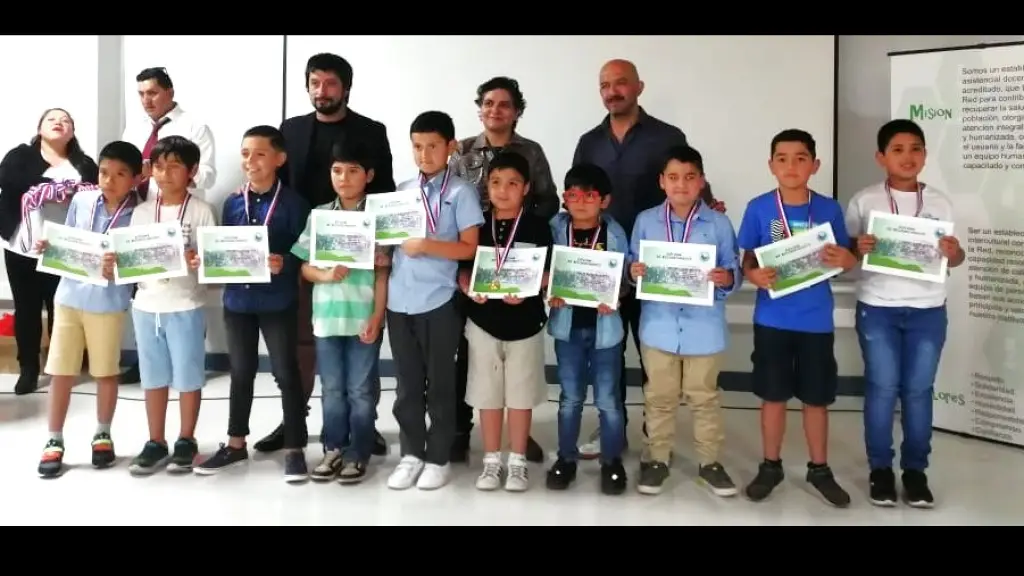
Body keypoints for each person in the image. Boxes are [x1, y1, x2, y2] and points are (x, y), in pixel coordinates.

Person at [571, 59, 724, 459]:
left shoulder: (666, 136)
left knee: (652, 352)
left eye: (620, 83)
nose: (612, 91)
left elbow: (686, 180)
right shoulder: (589, 141)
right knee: (607, 354)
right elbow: (578, 197)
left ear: (639, 86)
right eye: (604, 84)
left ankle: (656, 432)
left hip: (657, 267)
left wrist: (710, 206)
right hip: (603, 263)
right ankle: (613, 429)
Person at [263, 52, 395, 456]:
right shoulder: (291, 129)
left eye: (331, 83)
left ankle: (365, 425)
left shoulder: (371, 131)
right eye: (315, 83)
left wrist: (380, 248)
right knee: (304, 340)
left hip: (358, 253)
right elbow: (276, 184)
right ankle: (294, 419)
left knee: (361, 343)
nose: (322, 91)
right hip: (305, 249)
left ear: (346, 88)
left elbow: (386, 191)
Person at [846, 119, 964, 508]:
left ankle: (915, 472)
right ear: (881, 157)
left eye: (915, 148)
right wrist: (857, 245)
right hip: (878, 307)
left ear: (925, 155)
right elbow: (846, 254)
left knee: (918, 391)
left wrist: (954, 254)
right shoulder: (865, 201)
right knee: (881, 390)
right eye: (897, 149)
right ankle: (881, 469)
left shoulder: (941, 202)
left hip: (928, 309)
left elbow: (956, 258)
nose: (907, 157)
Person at [737, 128, 858, 507]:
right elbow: (748, 259)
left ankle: (819, 468)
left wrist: (848, 260)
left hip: (816, 321)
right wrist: (752, 274)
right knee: (773, 396)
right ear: (771, 165)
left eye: (801, 158)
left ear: (815, 164)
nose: (791, 166)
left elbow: (840, 260)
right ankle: (770, 465)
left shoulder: (829, 209)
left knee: (816, 398)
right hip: (772, 319)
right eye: (783, 158)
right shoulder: (759, 207)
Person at [192, 125, 311, 483]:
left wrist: (285, 262)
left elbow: (305, 250)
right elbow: (226, 247)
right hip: (239, 301)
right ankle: (235, 442)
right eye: (245, 153)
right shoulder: (231, 201)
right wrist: (207, 260)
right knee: (240, 373)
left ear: (279, 159)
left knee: (285, 372)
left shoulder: (294, 204)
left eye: (260, 153)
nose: (251, 161)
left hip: (278, 300)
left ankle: (294, 447)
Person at [448, 76, 556, 464]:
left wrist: (521, 262)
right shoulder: (460, 151)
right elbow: (447, 199)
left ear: (516, 111)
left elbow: (548, 199)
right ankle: (462, 430)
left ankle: (519, 438)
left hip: (516, 248)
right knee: (469, 354)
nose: (495, 110)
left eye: (504, 104)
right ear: (480, 108)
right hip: (470, 252)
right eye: (488, 103)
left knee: (516, 362)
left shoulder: (531, 151)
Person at [628, 145, 741, 497]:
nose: (681, 185)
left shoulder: (719, 223)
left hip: (704, 329)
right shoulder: (646, 220)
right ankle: (657, 458)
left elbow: (733, 268)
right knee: (658, 397)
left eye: (690, 177)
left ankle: (710, 463)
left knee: (704, 398)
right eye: (673, 177)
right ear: (662, 181)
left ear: (701, 181)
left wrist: (726, 278)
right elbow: (634, 263)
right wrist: (634, 272)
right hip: (659, 327)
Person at [386, 111, 484, 491]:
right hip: (399, 299)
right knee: (408, 384)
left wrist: (427, 245)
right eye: (417, 146)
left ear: (450, 147)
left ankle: (439, 455)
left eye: (432, 146)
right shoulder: (401, 190)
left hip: (439, 300)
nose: (424, 154)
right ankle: (411, 452)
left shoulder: (461, 192)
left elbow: (469, 248)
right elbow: (390, 241)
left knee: (441, 383)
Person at [35, 141, 143, 479]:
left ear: (137, 179)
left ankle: (102, 433)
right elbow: (68, 240)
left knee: (105, 372)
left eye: (120, 174)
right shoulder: (82, 200)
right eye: (104, 172)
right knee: (61, 371)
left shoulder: (138, 214)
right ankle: (53, 439)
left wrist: (121, 267)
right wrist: (49, 246)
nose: (109, 180)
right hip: (68, 297)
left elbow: (140, 263)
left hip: (108, 303)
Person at [291, 139, 389, 484]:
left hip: (364, 316)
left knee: (361, 390)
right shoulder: (320, 216)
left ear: (369, 175)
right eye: (337, 171)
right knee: (331, 388)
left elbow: (383, 271)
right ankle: (333, 447)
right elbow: (304, 267)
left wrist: (378, 316)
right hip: (327, 317)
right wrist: (325, 274)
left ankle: (358, 452)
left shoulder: (378, 218)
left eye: (353, 171)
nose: (344, 178)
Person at [457, 151, 552, 492]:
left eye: (513, 183)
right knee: (487, 394)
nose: (503, 190)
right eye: (496, 182)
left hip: (526, 324)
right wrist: (468, 287)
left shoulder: (539, 226)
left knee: (521, 395)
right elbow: (462, 270)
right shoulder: (477, 225)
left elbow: (550, 274)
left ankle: (518, 463)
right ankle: (491, 461)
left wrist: (530, 287)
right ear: (487, 186)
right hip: (483, 322)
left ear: (526, 188)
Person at [124, 136, 217, 476]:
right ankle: (155, 441)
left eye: (174, 166)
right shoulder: (142, 212)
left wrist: (198, 261)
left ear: (192, 171)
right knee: (152, 376)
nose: (164, 174)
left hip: (185, 304)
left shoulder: (202, 211)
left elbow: (213, 263)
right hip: (146, 304)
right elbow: (131, 259)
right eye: (159, 167)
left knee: (189, 375)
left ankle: (186, 439)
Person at [120, 66, 217, 386]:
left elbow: (209, 175)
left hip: (181, 213)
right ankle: (145, 359)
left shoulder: (194, 125)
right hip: (143, 211)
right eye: (141, 94)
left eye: (152, 92)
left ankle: (187, 359)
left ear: (169, 93)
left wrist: (170, 169)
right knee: (146, 287)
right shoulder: (134, 129)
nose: (146, 100)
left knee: (184, 289)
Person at [0, 108, 98, 395]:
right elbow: (8, 181)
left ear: (73, 130)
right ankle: (28, 369)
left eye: (66, 120)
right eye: (52, 119)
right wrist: (54, 188)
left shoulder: (83, 164)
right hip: (24, 245)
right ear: (40, 127)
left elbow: (97, 194)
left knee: (62, 309)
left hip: (66, 247)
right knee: (27, 309)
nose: (59, 123)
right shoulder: (21, 156)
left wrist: (74, 189)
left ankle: (60, 368)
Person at [545, 163, 629, 495]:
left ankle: (611, 461)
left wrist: (617, 296)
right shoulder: (554, 228)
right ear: (565, 198)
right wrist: (548, 291)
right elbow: (544, 270)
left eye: (590, 195)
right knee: (570, 399)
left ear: (604, 200)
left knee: (608, 400)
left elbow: (623, 281)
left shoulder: (616, 233)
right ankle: (566, 458)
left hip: (606, 329)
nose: (580, 202)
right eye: (573, 194)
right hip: (568, 328)